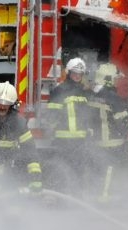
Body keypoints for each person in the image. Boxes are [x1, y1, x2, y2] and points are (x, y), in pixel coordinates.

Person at [46, 57, 94, 193]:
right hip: (63, 140)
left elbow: (89, 114)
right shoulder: (60, 90)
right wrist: (55, 128)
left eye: (80, 74)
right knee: (63, 170)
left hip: (81, 141)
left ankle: (76, 198)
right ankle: (62, 197)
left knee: (79, 170)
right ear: (68, 73)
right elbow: (51, 115)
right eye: (74, 73)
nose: (77, 76)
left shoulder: (85, 92)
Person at [88, 63, 128, 200]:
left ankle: (94, 194)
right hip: (112, 141)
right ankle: (104, 196)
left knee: (97, 168)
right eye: (115, 79)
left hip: (95, 140)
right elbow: (122, 120)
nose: (116, 82)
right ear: (108, 79)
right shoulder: (113, 97)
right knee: (109, 168)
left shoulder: (92, 95)